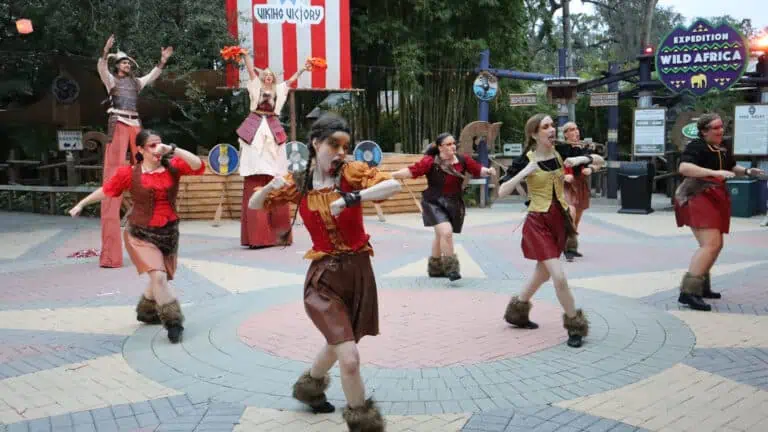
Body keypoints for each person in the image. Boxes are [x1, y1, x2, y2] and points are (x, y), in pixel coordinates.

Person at [248, 114, 400, 431]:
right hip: (324, 280)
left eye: (345, 145)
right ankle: (364, 423)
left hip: (358, 274)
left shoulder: (351, 173)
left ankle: (310, 389)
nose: (340, 152)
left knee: (339, 341)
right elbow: (254, 205)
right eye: (334, 144)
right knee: (349, 357)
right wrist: (269, 188)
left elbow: (392, 185)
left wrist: (353, 197)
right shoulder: (299, 181)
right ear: (316, 144)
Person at [69, 130, 205, 343]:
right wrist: (82, 203)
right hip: (140, 234)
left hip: (168, 233)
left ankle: (146, 311)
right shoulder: (129, 174)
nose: (157, 149)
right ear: (140, 149)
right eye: (151, 145)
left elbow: (197, 165)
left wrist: (173, 149)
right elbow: (107, 190)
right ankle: (173, 322)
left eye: (159, 144)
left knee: (160, 278)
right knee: (158, 276)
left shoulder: (172, 168)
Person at [497, 114, 603, 348]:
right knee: (558, 275)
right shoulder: (525, 159)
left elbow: (599, 159)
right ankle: (575, 325)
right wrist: (525, 172)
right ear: (534, 134)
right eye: (545, 127)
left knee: (542, 274)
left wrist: (582, 159)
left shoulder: (562, 151)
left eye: (552, 125)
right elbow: (501, 191)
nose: (552, 129)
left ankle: (517, 312)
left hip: (559, 220)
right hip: (538, 221)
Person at [97, 34, 173, 268]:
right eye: (124, 62)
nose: (127, 65)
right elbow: (101, 68)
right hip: (118, 124)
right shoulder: (111, 81)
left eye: (129, 63)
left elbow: (151, 77)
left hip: (135, 126)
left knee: (149, 171)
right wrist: (105, 51)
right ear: (116, 65)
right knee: (113, 177)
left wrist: (162, 61)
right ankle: (111, 254)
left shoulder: (135, 83)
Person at [674, 113, 764, 311]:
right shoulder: (696, 146)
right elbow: (684, 168)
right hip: (696, 196)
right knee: (710, 244)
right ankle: (688, 293)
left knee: (714, 244)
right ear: (704, 131)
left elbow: (731, 166)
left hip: (713, 197)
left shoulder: (721, 148)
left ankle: (700, 287)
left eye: (721, 127)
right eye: (715, 128)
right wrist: (714, 173)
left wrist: (748, 171)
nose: (720, 130)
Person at [391, 133, 495, 280]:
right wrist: (392, 175)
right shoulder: (430, 161)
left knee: (440, 235)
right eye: (448, 144)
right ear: (440, 147)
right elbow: (412, 171)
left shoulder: (462, 160)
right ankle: (451, 268)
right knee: (446, 232)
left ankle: (435, 268)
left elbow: (478, 169)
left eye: (454, 143)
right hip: (433, 203)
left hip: (454, 203)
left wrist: (488, 171)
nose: (452, 146)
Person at [238, 52, 312, 248]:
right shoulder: (256, 88)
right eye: (266, 75)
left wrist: (303, 69)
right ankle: (257, 237)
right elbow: (251, 72)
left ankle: (278, 234)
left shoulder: (278, 91)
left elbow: (289, 82)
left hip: (273, 130)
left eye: (271, 75)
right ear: (262, 77)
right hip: (254, 130)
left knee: (277, 174)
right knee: (255, 174)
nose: (268, 77)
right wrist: (246, 57)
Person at [560, 122, 600, 261]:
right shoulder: (560, 148)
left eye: (576, 129)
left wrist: (591, 169)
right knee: (570, 214)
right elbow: (551, 167)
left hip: (581, 184)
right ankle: (569, 249)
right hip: (565, 185)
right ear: (565, 134)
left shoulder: (585, 148)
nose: (575, 132)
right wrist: (563, 176)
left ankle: (569, 245)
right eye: (571, 130)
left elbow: (599, 162)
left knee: (576, 219)